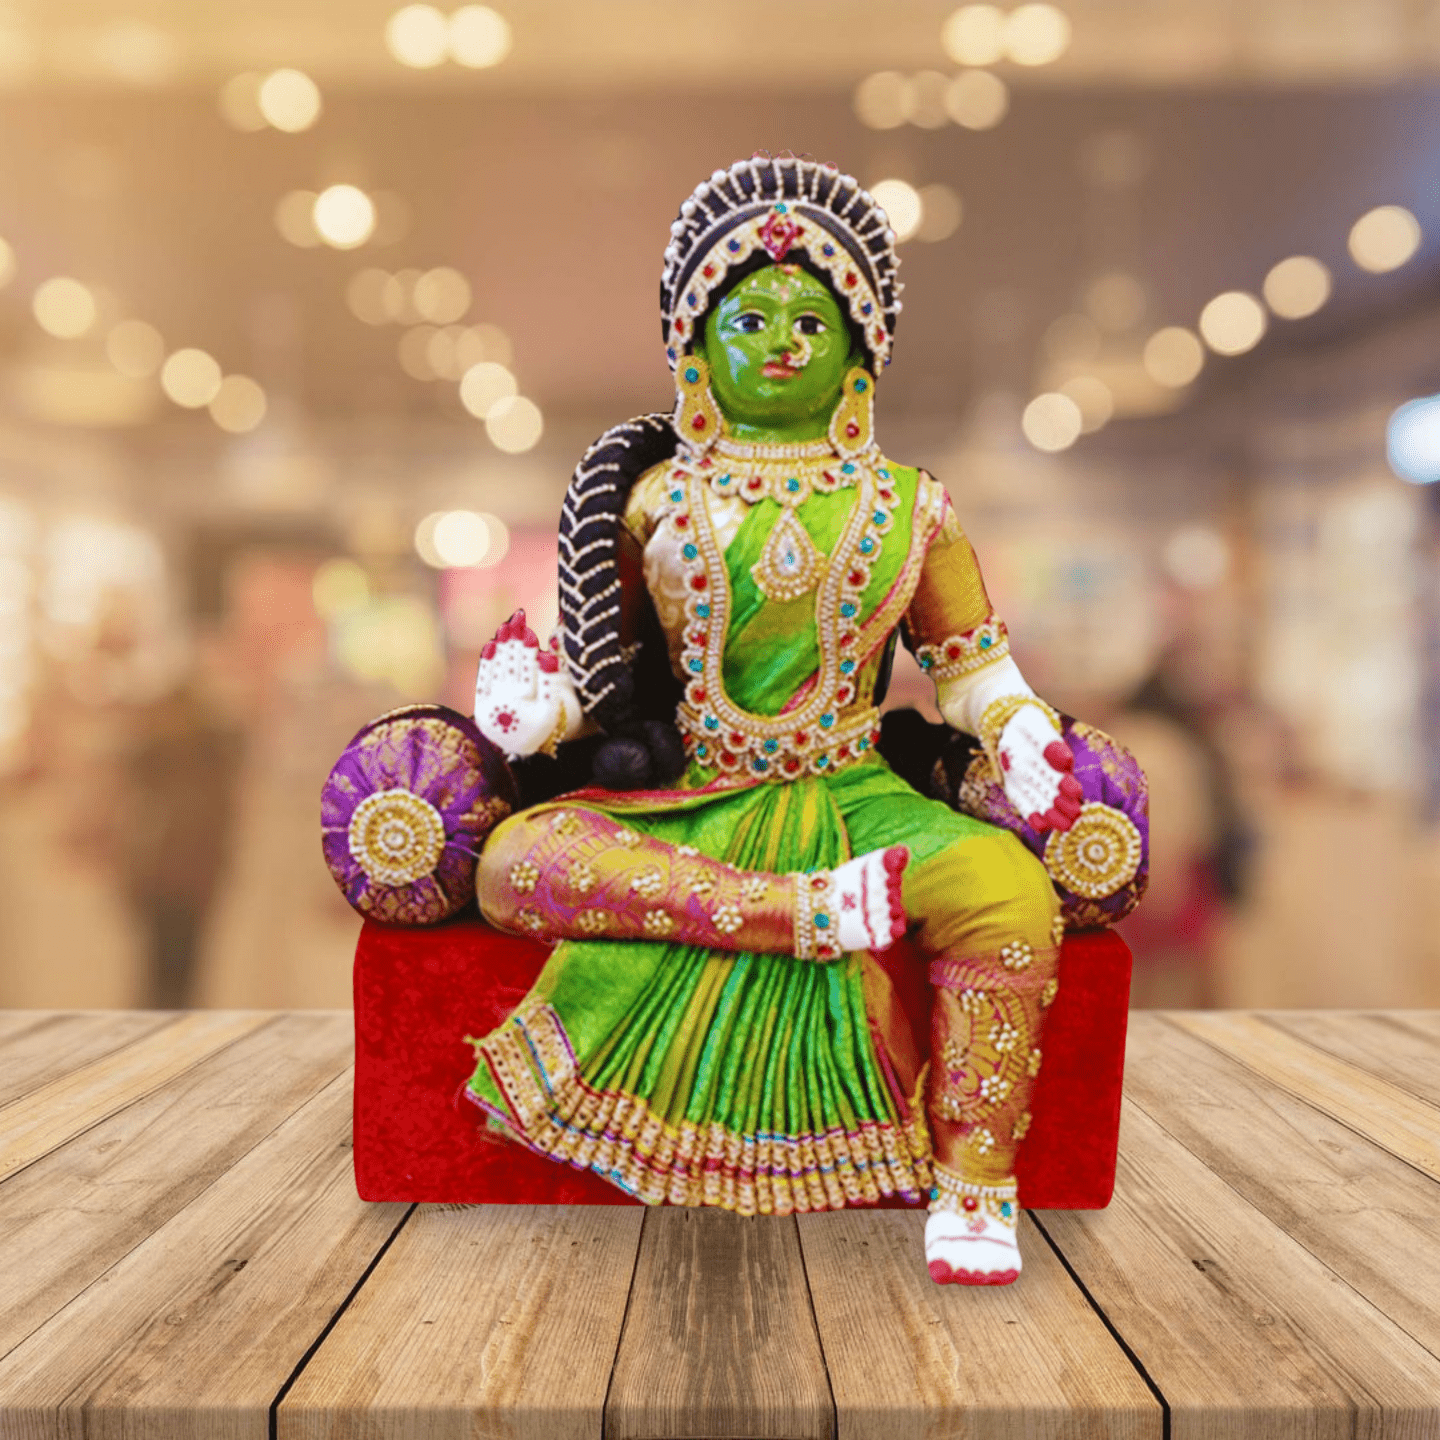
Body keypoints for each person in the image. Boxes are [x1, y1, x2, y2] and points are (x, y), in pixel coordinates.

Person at [465, 154, 1084, 1286]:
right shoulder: (652, 498)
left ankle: (977, 1187)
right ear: (694, 350)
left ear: (862, 351)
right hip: (693, 795)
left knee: (1008, 893)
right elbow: (608, 674)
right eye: (749, 317)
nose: (783, 340)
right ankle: (791, 912)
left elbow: (973, 665)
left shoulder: (914, 509)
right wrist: (530, 708)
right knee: (512, 861)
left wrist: (1021, 732)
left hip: (859, 800)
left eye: (813, 318)